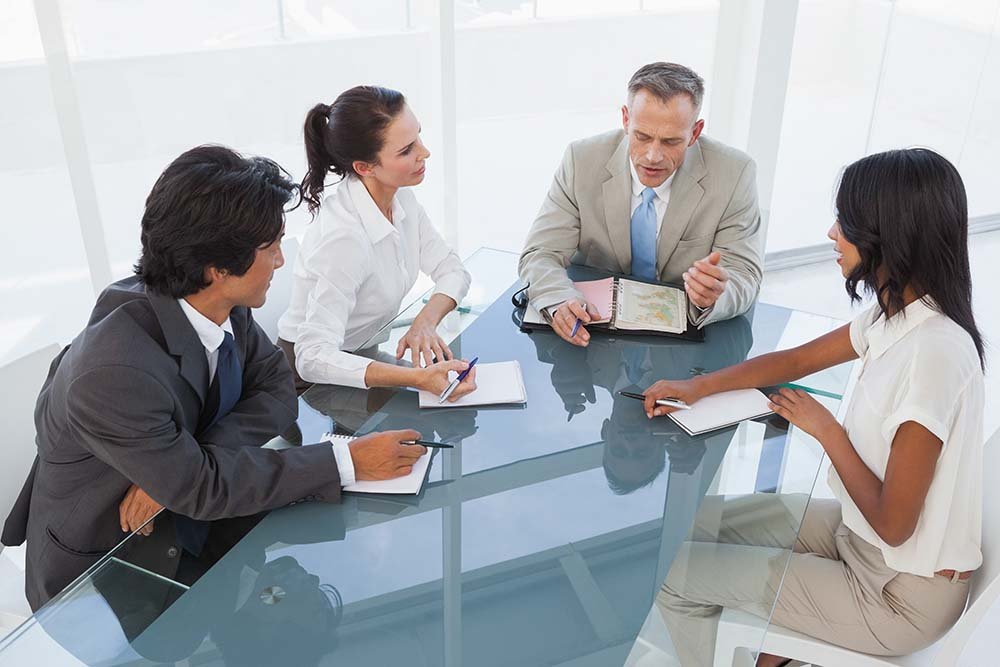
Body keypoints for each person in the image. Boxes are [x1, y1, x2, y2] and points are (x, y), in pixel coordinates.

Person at [1, 146, 430, 610]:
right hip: (107, 574)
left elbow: (278, 390)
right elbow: (204, 489)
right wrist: (345, 462)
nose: (282, 262)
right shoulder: (112, 373)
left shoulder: (218, 303)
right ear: (217, 269)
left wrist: (180, 468)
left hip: (195, 528)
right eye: (271, 248)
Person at [642, 148, 985, 666]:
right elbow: (799, 359)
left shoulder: (935, 354)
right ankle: (778, 648)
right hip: (861, 540)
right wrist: (701, 387)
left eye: (846, 222)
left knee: (673, 578)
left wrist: (827, 431)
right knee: (697, 523)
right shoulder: (898, 313)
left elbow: (896, 525)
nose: (831, 233)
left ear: (887, 235)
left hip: (897, 594)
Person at [519, 62, 763, 347]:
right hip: (594, 336)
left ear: (695, 133)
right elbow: (540, 252)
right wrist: (559, 298)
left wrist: (715, 295)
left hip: (682, 343)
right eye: (642, 136)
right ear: (625, 119)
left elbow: (744, 275)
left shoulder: (734, 173)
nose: (653, 156)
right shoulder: (581, 159)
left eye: (671, 141)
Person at [277, 86, 476, 399]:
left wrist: (425, 322)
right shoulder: (344, 237)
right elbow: (312, 357)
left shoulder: (403, 202)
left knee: (448, 395)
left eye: (419, 137)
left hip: (361, 357)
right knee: (430, 406)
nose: (425, 152)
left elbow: (454, 270)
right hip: (309, 386)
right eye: (406, 150)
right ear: (364, 167)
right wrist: (416, 377)